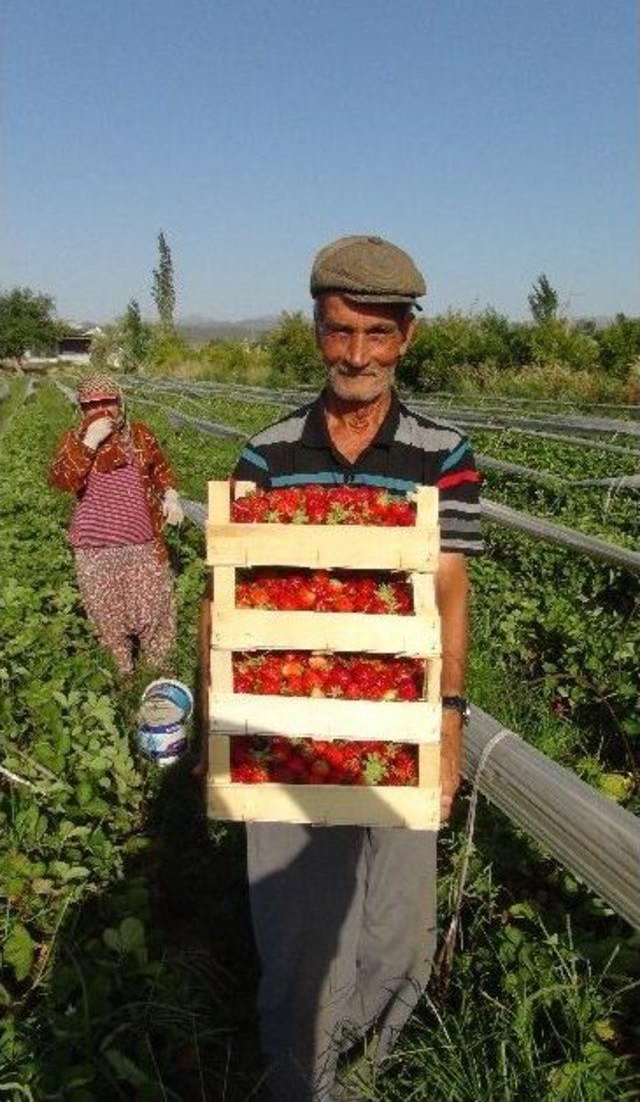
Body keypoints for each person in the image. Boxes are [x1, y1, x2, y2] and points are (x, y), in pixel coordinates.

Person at [198, 235, 483, 1101]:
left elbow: (449, 591)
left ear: (407, 337)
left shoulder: (441, 454)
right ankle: (298, 1081)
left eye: (377, 333)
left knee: (395, 931)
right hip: (283, 723)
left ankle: (364, 1080)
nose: (356, 355)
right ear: (315, 330)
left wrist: (449, 715)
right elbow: (229, 592)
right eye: (338, 331)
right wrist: (220, 721)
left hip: (396, 718)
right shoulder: (267, 456)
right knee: (292, 932)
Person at [49, 373, 184, 675]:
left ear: (120, 403)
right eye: (91, 405)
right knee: (108, 617)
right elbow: (62, 479)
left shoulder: (140, 435)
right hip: (95, 550)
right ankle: (122, 678)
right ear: (81, 409)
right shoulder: (74, 440)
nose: (100, 410)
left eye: (107, 402)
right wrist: (89, 443)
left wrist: (171, 495)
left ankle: (157, 676)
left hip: (143, 542)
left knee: (154, 611)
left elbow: (161, 469)